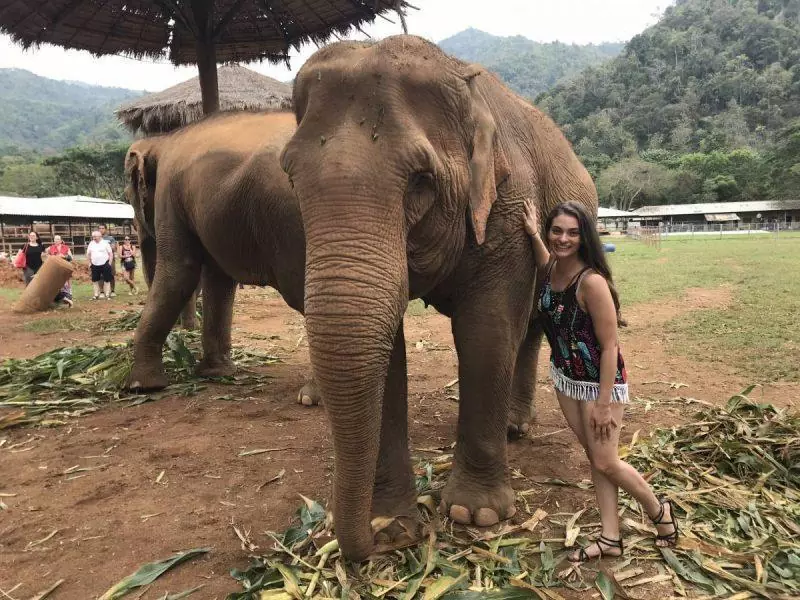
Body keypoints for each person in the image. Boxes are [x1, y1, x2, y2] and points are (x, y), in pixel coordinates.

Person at [522, 200, 678, 562]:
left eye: (573, 233)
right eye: (556, 230)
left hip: (599, 385)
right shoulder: (550, 270)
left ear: (585, 237)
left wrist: (605, 404)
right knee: (596, 458)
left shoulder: (591, 282)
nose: (563, 239)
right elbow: (544, 257)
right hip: (565, 379)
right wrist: (532, 230)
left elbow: (610, 347)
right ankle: (610, 537)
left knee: (607, 461)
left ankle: (659, 511)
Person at [87, 229, 114, 300]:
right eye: (93, 237)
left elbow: (110, 253)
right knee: (95, 280)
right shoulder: (91, 243)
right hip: (94, 264)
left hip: (105, 263)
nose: (94, 238)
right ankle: (96, 295)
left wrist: (109, 263)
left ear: (99, 236)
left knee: (107, 279)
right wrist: (89, 263)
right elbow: (88, 254)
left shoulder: (105, 243)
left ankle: (107, 294)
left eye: (95, 237)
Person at [48, 235, 74, 307]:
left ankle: (69, 297)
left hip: (65, 269)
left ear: (61, 240)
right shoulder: (50, 248)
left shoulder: (66, 247)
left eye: (58, 239)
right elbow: (47, 258)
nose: (56, 241)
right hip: (55, 269)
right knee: (57, 284)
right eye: (55, 239)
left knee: (66, 284)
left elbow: (71, 257)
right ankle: (59, 299)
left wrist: (64, 256)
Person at [98, 224, 117, 297]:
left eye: (103, 228)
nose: (101, 229)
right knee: (101, 275)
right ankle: (102, 292)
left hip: (110, 259)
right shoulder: (96, 238)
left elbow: (113, 248)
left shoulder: (110, 238)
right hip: (99, 260)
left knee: (111, 275)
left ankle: (112, 291)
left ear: (105, 229)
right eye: (100, 228)